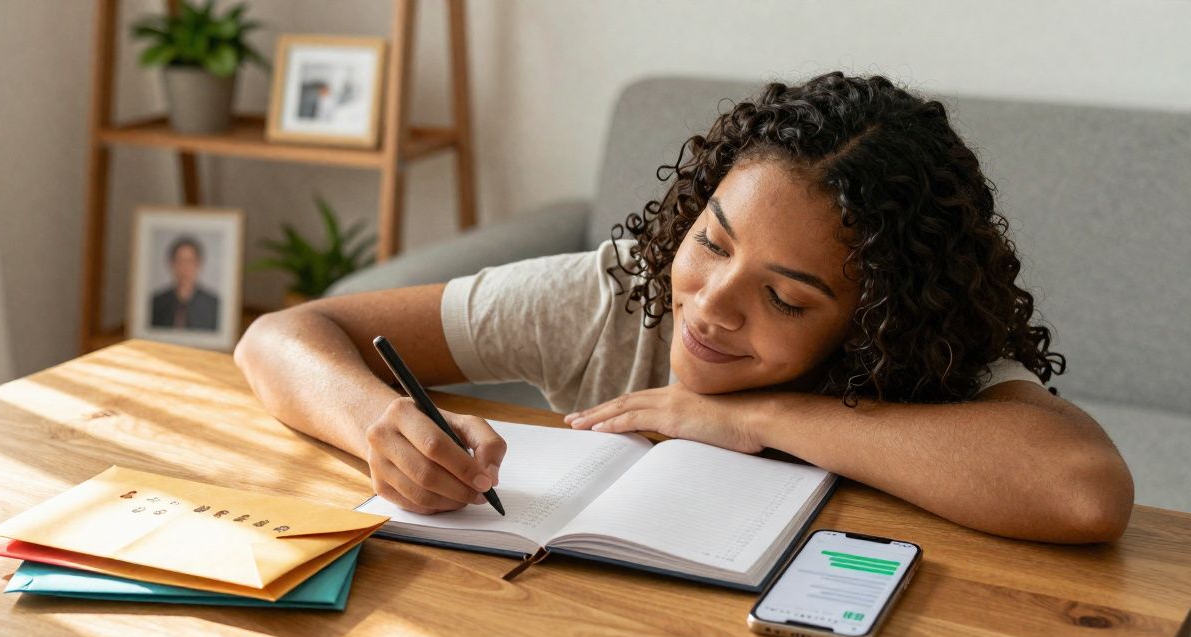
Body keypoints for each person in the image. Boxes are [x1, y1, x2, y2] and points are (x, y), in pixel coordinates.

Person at [233, 71, 1133, 544]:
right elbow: (281, 336)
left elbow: (1083, 490)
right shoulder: (622, 295)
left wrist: (762, 419)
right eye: (712, 241)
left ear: (875, 318)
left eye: (784, 296)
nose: (710, 307)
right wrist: (377, 422)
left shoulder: (921, 361)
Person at [150, 236, 220, 331]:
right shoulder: (156, 302)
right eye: (179, 261)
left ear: (199, 264)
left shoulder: (213, 304)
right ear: (171, 264)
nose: (184, 268)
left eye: (189, 262)